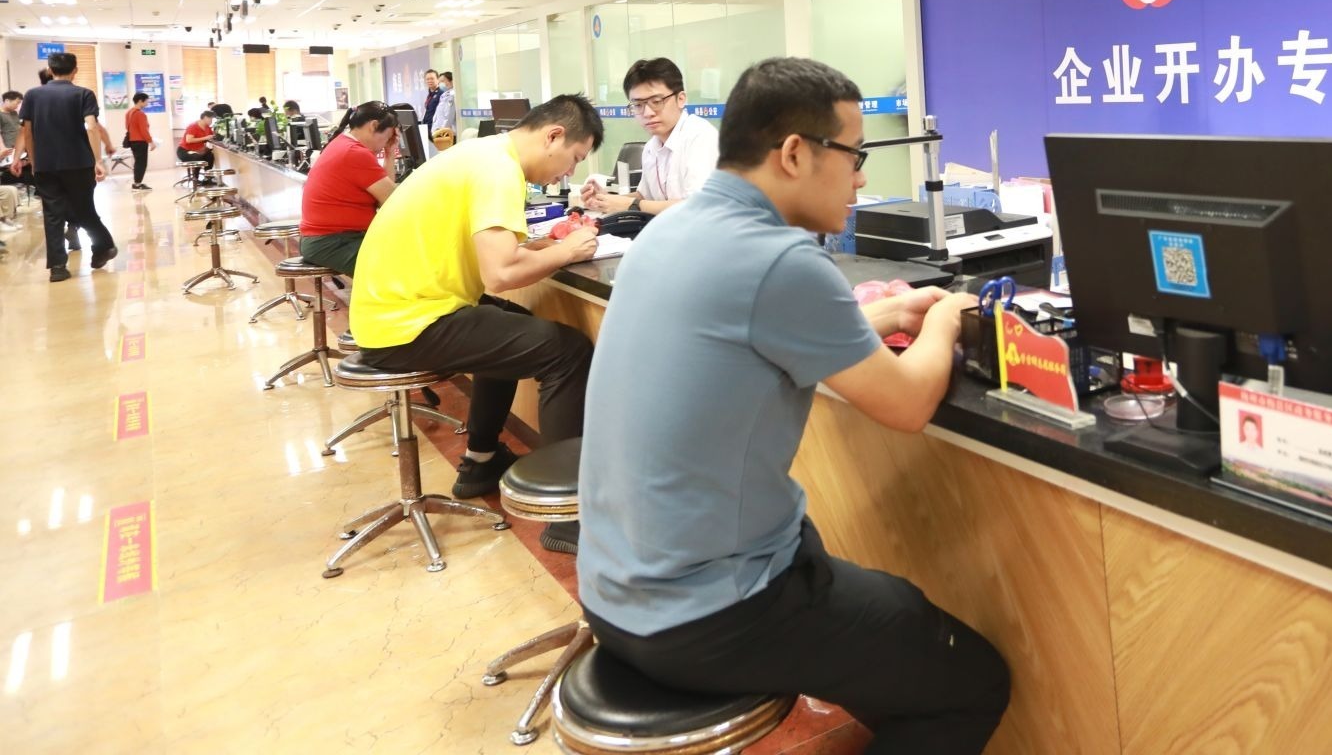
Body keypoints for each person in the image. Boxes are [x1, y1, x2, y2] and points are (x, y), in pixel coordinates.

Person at [578, 58, 1009, 752]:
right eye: (854, 155)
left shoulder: (673, 230)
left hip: (614, 589)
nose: (861, 178)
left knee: (891, 618)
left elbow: (759, 330)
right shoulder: (779, 259)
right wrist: (944, 320)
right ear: (794, 154)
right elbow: (906, 403)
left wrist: (889, 311)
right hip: (710, 612)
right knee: (972, 679)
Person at [347, 94, 602, 550]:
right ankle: (567, 518)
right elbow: (500, 274)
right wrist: (567, 250)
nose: (569, 173)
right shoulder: (499, 169)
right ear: (553, 136)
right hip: (406, 324)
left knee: (509, 326)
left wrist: (541, 249)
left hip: (390, 314)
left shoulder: (482, 155)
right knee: (568, 352)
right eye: (575, 159)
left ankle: (480, 460)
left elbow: (487, 251)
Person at [16, 51, 117, 282]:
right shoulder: (83, 94)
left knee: (52, 215)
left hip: (46, 164)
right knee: (84, 210)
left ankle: (58, 267)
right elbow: (91, 127)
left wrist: (34, 161)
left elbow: (27, 132)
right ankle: (103, 246)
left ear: (50, 70)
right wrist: (97, 160)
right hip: (79, 163)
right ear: (75, 70)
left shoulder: (32, 95)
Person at [579, 58, 717, 217]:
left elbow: (697, 207)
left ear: (681, 99)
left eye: (656, 102)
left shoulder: (700, 137)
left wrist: (629, 205)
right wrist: (605, 200)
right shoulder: (652, 147)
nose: (647, 113)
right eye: (638, 105)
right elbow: (645, 197)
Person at [298, 101, 400, 275]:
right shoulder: (355, 153)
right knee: (403, 265)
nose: (386, 143)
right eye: (388, 137)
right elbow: (392, 202)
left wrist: (390, 154)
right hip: (333, 242)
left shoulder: (342, 143)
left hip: (327, 240)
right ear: (373, 126)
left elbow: (385, 198)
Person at [125, 92, 154, 191]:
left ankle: (137, 183)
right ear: (140, 101)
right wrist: (151, 142)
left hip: (132, 141)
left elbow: (127, 127)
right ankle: (137, 184)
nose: (147, 103)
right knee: (141, 163)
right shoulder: (140, 114)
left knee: (138, 162)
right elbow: (144, 130)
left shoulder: (129, 113)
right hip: (140, 141)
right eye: (146, 101)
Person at [429, 71, 456, 147]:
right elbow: (438, 114)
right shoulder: (444, 95)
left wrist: (443, 131)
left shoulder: (452, 95)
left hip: (447, 134)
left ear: (451, 81)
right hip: (440, 132)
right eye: (440, 82)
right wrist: (434, 129)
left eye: (443, 81)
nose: (441, 84)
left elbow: (449, 116)